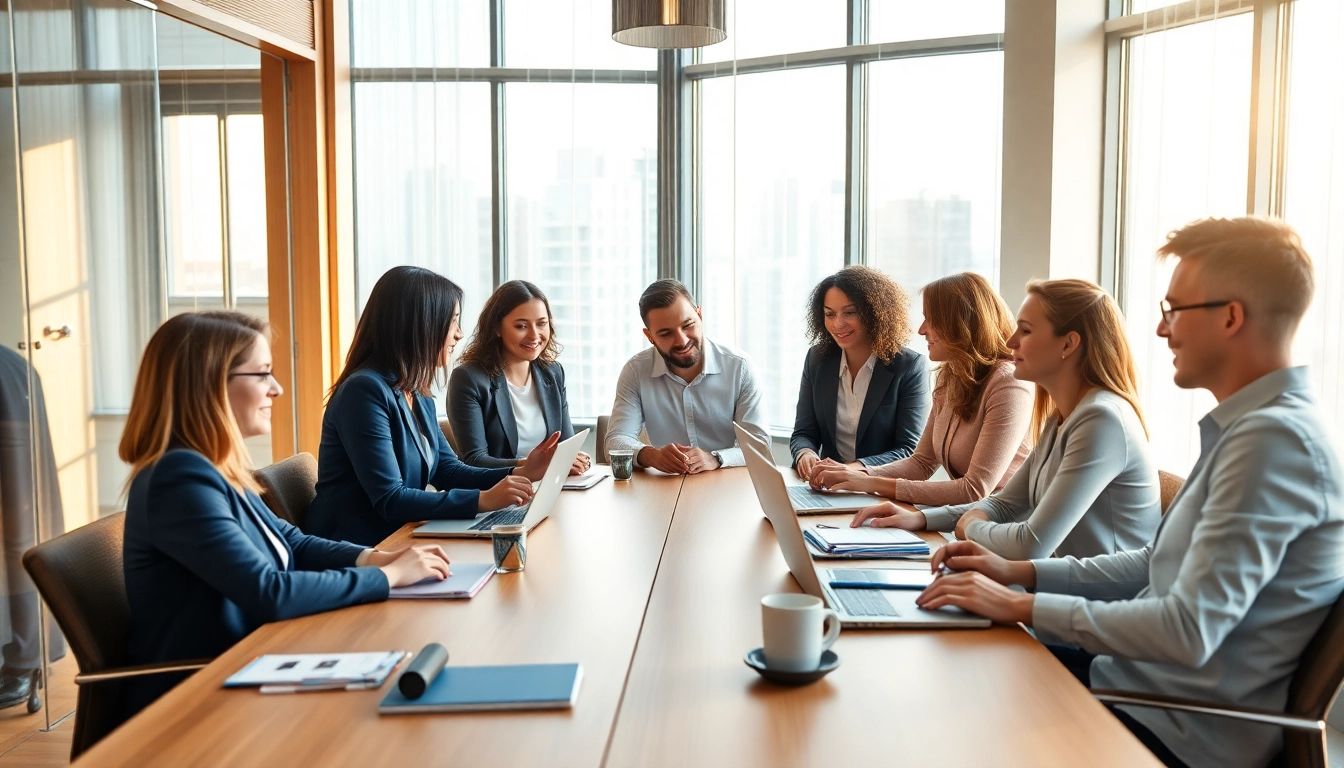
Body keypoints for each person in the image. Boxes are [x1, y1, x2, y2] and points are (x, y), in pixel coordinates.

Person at [917, 218, 1344, 768]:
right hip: (1126, 682)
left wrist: (1023, 603)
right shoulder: (1250, 430)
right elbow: (1154, 563)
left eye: (1175, 310)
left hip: (1167, 724)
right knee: (954, 658)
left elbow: (1188, 630)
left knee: (948, 702)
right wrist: (1018, 575)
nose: (1163, 331)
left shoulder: (1274, 444)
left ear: (1232, 316)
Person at [120, 311, 454, 717]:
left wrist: (373, 557)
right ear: (208, 385)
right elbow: (268, 592)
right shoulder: (178, 479)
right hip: (203, 697)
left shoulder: (211, 468)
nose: (276, 388)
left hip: (259, 658)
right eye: (261, 374)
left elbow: (290, 539)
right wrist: (387, 577)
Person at [852, 279, 1160, 561]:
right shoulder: (1062, 417)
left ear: (1068, 344)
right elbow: (1004, 504)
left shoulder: (1101, 419)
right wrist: (920, 518)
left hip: (1092, 611)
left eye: (1025, 330)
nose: (1011, 341)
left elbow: (1031, 542)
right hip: (1054, 592)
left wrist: (969, 526)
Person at [307, 267, 557, 546]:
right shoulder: (363, 391)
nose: (459, 334)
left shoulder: (417, 390)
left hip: (404, 537)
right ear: (419, 324)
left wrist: (520, 472)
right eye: (452, 322)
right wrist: (483, 500)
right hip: (360, 548)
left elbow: (448, 471)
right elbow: (391, 499)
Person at [810, 272, 1031, 506]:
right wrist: (857, 476)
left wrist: (866, 482)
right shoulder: (951, 375)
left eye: (931, 320)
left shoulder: (1009, 383)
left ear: (962, 322)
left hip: (1004, 526)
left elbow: (974, 489)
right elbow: (922, 462)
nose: (922, 330)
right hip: (967, 519)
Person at [606, 279, 770, 474]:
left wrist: (716, 458)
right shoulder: (635, 371)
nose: (682, 341)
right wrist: (652, 455)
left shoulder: (739, 368)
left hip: (727, 484)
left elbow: (759, 445)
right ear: (649, 336)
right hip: (666, 487)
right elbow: (615, 442)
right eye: (666, 334)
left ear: (699, 315)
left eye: (688, 325)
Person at [790, 266, 931, 479]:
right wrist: (805, 453)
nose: (838, 323)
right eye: (830, 314)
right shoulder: (817, 360)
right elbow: (804, 433)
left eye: (850, 312)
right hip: (828, 486)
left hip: (880, 489)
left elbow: (908, 450)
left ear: (875, 312)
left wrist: (851, 470)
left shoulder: (909, 367)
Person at [448, 280, 590, 476]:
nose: (534, 335)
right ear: (497, 328)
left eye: (542, 324)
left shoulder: (553, 372)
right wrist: (533, 465)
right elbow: (474, 460)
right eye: (521, 326)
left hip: (550, 488)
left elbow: (565, 445)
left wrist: (575, 459)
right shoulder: (469, 378)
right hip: (500, 492)